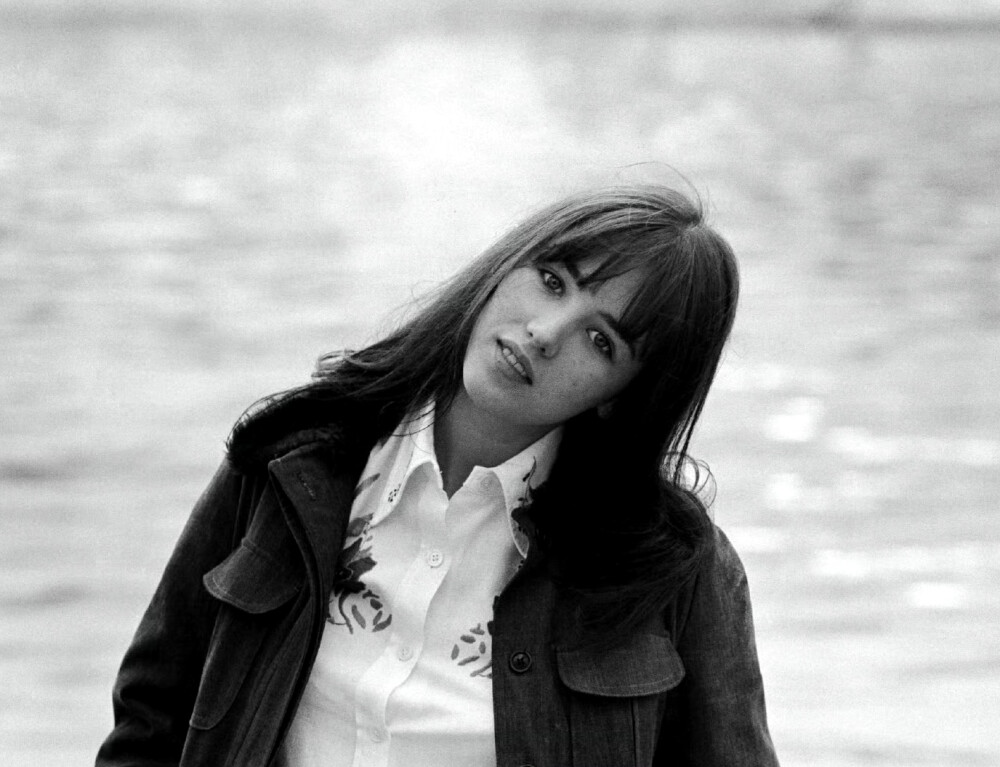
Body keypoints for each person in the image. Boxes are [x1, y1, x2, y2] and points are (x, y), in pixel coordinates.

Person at [96, 184, 779, 767]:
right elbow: (150, 717)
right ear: (509, 261)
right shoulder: (291, 464)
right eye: (552, 279)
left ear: (622, 394)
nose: (545, 331)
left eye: (601, 340)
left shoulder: (678, 573)